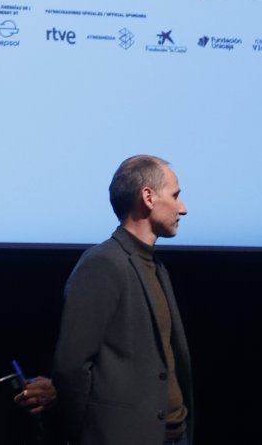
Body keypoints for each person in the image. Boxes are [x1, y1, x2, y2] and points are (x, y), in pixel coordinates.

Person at [52, 154, 193, 445]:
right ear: (148, 197)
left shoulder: (155, 266)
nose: (183, 208)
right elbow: (71, 367)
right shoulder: (103, 264)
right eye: (176, 195)